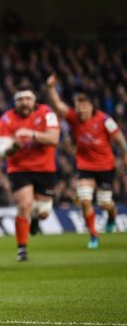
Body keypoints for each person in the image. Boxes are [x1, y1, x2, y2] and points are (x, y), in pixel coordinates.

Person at [46, 74, 127, 248]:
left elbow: (120, 140)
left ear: (91, 106)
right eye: (78, 106)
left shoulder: (105, 120)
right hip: (85, 166)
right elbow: (59, 107)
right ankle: (93, 236)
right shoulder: (74, 118)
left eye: (84, 105)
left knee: (105, 203)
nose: (81, 109)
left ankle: (112, 214)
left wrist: (125, 154)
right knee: (84, 200)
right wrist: (51, 88)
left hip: (106, 166)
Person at [0, 83, 60, 261]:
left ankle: (37, 219)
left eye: (28, 98)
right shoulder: (6, 119)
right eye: (21, 99)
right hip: (19, 168)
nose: (25, 102)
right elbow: (2, 150)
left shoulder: (47, 113)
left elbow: (54, 139)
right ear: (15, 102)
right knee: (24, 205)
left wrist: (31, 134)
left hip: (45, 168)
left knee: (43, 212)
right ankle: (22, 249)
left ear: (34, 100)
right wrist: (14, 146)